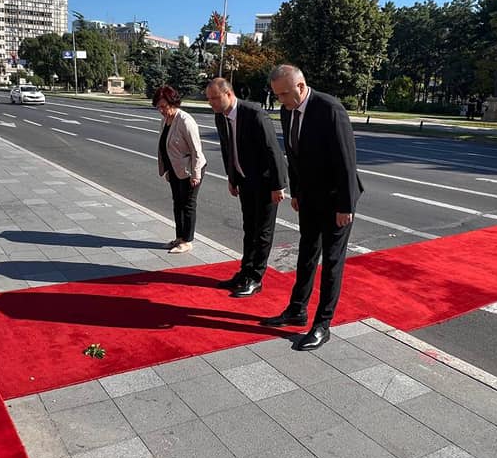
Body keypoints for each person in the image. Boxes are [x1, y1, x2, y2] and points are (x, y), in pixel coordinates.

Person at [261, 64, 364, 351]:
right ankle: (297, 309)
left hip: (336, 202)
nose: (280, 100)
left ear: (301, 86)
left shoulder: (329, 109)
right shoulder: (286, 111)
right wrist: (297, 192)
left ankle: (322, 324)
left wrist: (345, 204)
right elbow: (293, 155)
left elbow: (346, 160)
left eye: (283, 94)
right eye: (277, 95)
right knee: (306, 254)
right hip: (308, 199)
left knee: (331, 262)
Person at [205, 78, 287, 297]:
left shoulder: (254, 114)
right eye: (209, 99)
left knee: (262, 232)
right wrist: (231, 178)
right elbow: (227, 148)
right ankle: (245, 272)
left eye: (214, 98)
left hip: (266, 183)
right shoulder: (220, 117)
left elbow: (273, 150)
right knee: (249, 229)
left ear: (229, 94)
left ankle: (256, 277)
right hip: (244, 180)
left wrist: (279, 185)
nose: (211, 102)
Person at [154, 86, 206, 254]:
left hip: (191, 170)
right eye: (158, 107)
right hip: (175, 170)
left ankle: (187, 241)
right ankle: (179, 237)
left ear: (172, 102)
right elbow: (166, 147)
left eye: (163, 106)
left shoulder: (185, 120)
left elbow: (196, 150)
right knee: (178, 204)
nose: (161, 110)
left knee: (188, 205)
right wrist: (168, 170)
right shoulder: (166, 120)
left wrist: (196, 174)